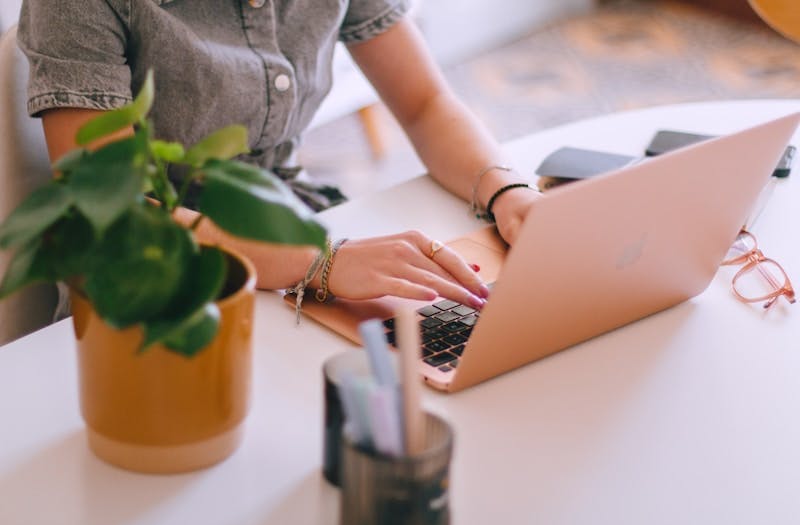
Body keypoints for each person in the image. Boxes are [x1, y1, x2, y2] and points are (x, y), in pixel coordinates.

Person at [17, 0, 542, 311]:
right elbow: (110, 216)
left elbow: (426, 105)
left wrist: (507, 189)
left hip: (293, 227)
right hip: (158, 282)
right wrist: (318, 262)